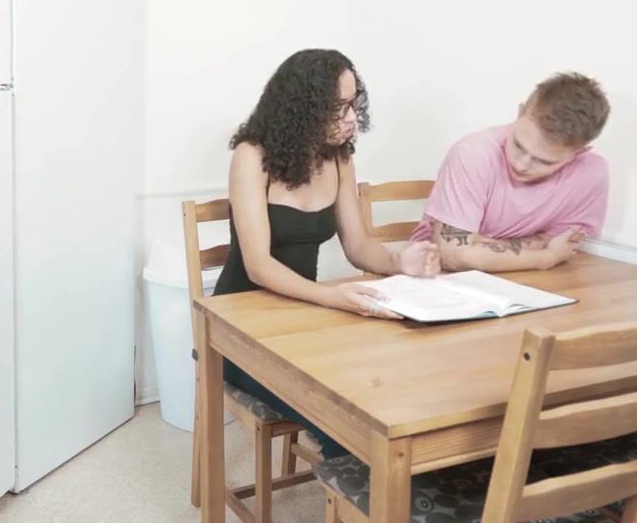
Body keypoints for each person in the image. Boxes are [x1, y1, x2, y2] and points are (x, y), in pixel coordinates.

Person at [213, 48, 440, 460]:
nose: (351, 118)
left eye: (354, 104)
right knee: (344, 423)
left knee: (377, 391)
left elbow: (358, 246)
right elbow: (258, 266)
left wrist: (399, 261)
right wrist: (331, 296)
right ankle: (364, 483)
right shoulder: (252, 155)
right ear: (304, 107)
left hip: (302, 317)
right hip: (239, 328)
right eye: (338, 108)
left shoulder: (339, 157)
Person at [410, 72, 611, 273]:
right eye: (518, 145)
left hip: (533, 281)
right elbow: (453, 256)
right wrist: (546, 256)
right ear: (520, 112)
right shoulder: (473, 153)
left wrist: (478, 246)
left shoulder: (591, 173)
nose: (522, 164)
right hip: (443, 277)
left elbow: (570, 247)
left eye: (543, 161)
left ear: (579, 151)